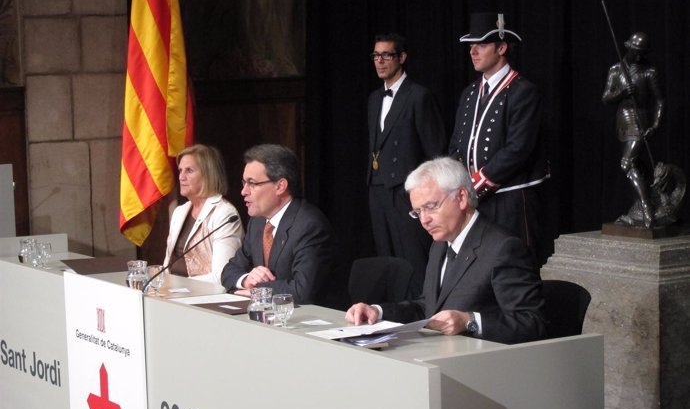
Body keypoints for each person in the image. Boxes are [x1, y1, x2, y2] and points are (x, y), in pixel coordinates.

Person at [346, 157, 546, 345]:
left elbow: (532, 323)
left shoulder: (503, 248)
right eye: (418, 212)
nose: (424, 220)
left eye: (431, 207)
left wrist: (469, 321)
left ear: (461, 198)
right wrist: (377, 312)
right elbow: (428, 308)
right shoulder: (440, 245)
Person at [448, 12, 548, 264]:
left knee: (514, 266)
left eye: (481, 45)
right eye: (471, 46)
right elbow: (457, 144)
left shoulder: (523, 91)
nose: (473, 52)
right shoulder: (469, 93)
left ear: (501, 47)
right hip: (474, 198)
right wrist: (455, 182)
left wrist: (475, 185)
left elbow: (518, 149)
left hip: (510, 199)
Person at [367, 32, 447, 297]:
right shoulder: (374, 99)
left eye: (386, 55)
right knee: (387, 259)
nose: (380, 61)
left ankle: (423, 310)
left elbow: (435, 150)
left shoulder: (418, 96)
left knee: (413, 258)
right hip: (378, 189)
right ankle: (394, 313)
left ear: (402, 57)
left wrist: (428, 194)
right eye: (376, 56)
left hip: (407, 193)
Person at [221, 144, 334, 304]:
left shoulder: (309, 226)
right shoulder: (258, 223)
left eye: (252, 183)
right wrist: (247, 279)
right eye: (244, 183)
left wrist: (257, 289)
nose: (244, 191)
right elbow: (228, 271)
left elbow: (303, 290)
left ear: (280, 186)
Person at [602, 32, 664, 228]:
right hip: (622, 121)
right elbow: (605, 98)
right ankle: (647, 203)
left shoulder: (648, 72)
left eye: (641, 53)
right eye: (635, 51)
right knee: (638, 167)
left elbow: (660, 101)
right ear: (628, 48)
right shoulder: (615, 70)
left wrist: (656, 124)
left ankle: (647, 208)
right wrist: (621, 92)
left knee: (627, 164)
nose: (638, 56)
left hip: (641, 120)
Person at [164, 144, 244, 283]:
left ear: (208, 174)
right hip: (173, 292)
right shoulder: (179, 212)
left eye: (189, 171)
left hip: (203, 296)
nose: (181, 177)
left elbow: (222, 276)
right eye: (180, 170)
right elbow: (166, 267)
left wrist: (179, 288)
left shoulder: (224, 213)